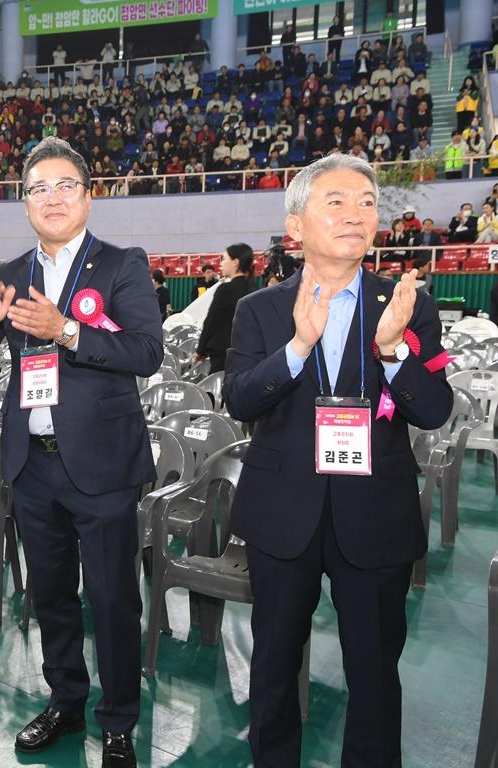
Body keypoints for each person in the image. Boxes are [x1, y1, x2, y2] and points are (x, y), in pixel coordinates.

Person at [224, 153, 452, 767]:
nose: (356, 214)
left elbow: (433, 410)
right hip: (282, 516)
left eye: (368, 203)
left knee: (375, 674)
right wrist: (298, 347)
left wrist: (393, 350)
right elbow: (240, 398)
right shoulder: (260, 309)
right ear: (295, 225)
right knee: (272, 668)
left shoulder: (406, 305)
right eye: (337, 201)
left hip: (376, 514)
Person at [0, 137, 161, 763]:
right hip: (31, 464)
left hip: (102, 465)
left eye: (65, 184)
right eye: (38, 187)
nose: (52, 197)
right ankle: (66, 700)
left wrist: (66, 330)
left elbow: (145, 353)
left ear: (88, 195)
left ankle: (119, 717)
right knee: (50, 595)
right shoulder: (12, 274)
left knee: (113, 596)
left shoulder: (123, 265)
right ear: (24, 204)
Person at [196, 243, 256, 373]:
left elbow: (211, 322)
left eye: (224, 259)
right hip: (248, 354)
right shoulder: (253, 289)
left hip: (223, 354)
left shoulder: (225, 289)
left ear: (235, 262)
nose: (221, 263)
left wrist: (200, 350)